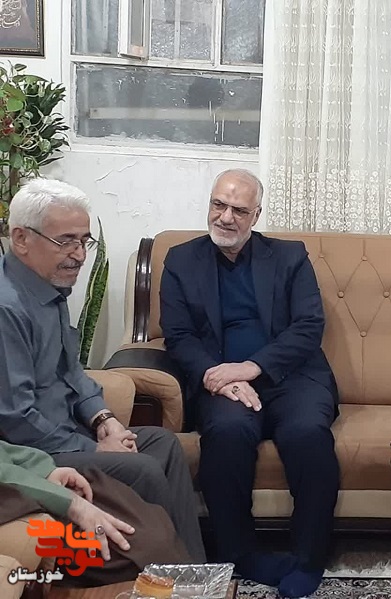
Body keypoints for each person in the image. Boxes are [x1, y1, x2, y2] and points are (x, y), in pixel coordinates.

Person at [0, 178, 205, 562]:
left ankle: (194, 569)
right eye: (66, 241)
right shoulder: (7, 308)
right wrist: (94, 447)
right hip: (34, 452)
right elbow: (16, 419)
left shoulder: (48, 287)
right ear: (21, 238)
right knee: (142, 467)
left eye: (84, 241)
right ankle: (169, 570)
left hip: (68, 433)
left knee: (163, 444)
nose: (79, 255)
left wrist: (104, 420)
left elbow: (73, 373)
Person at [160, 169, 339, 598]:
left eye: (239, 210)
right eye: (218, 205)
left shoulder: (290, 257)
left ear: (256, 215)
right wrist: (217, 377)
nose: (226, 217)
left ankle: (309, 558)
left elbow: (308, 326)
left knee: (307, 434)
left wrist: (251, 368)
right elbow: (179, 336)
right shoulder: (180, 261)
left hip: (292, 376)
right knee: (226, 432)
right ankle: (240, 554)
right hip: (222, 382)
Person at [0, 439, 191, 594]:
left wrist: (44, 470)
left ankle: (195, 578)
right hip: (14, 501)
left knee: (153, 525)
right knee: (147, 548)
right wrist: (71, 504)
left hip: (29, 477)